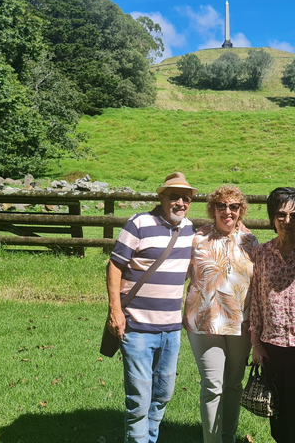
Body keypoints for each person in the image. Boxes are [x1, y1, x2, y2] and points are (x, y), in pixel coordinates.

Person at [105, 172, 197, 443]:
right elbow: (115, 265)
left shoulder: (189, 229)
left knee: (163, 394)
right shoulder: (138, 223)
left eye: (186, 198)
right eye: (174, 196)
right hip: (137, 326)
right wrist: (115, 311)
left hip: (171, 329)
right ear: (161, 197)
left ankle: (150, 438)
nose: (180, 202)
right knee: (139, 397)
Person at [184, 185, 258, 443]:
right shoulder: (197, 239)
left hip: (241, 324)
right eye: (221, 206)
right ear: (212, 208)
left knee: (234, 385)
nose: (227, 211)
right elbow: (178, 275)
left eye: (234, 206)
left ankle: (228, 436)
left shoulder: (251, 241)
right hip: (204, 322)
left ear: (241, 210)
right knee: (212, 386)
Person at [249, 187, 295, 443]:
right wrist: (255, 343)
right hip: (272, 345)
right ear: (272, 217)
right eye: (281, 215)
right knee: (276, 410)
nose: (287, 221)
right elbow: (256, 300)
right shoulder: (260, 254)